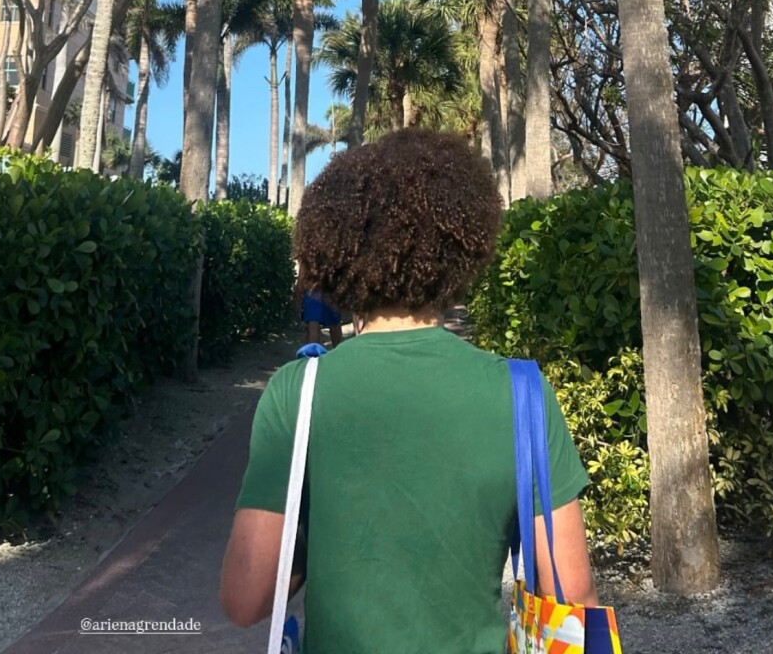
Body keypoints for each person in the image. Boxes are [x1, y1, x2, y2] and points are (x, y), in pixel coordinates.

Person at [220, 129, 597, 653]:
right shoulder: (522, 393)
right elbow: (572, 596)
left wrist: (317, 539)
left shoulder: (298, 391)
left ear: (334, 248)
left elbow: (245, 598)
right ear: (462, 243)